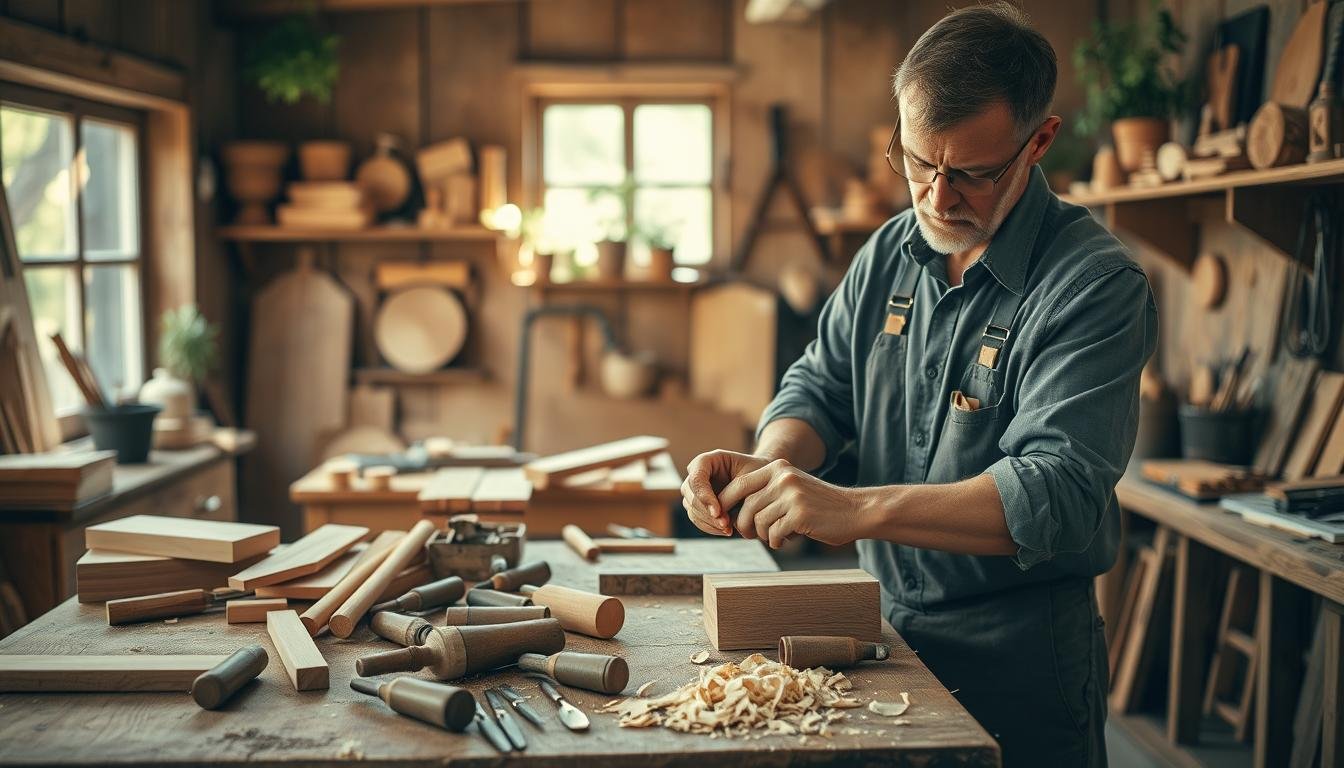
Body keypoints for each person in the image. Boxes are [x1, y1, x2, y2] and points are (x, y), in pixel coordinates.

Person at [681, 3, 1157, 765]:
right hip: (881, 634)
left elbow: (1056, 494)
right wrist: (773, 463)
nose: (936, 198)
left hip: (1019, 659)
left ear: (1039, 142)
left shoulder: (1094, 284)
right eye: (916, 162)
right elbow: (822, 382)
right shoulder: (894, 251)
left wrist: (854, 509)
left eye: (969, 173)